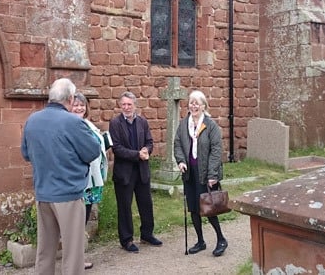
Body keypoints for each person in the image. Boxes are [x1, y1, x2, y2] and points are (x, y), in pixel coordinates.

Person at [21, 78, 101, 275]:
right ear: (71, 98)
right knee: (73, 252)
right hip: (69, 194)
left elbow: (25, 154)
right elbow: (93, 151)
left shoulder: (32, 120)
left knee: (45, 249)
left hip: (43, 192)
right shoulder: (73, 122)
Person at [174, 90, 228, 257]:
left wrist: (213, 175)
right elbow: (177, 144)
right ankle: (200, 241)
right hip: (190, 173)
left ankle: (221, 239)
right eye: (191, 102)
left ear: (204, 106)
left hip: (206, 174)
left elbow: (216, 151)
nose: (194, 105)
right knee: (194, 208)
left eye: (197, 103)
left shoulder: (211, 126)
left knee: (209, 207)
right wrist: (181, 161)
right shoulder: (184, 125)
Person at [109, 91, 162, 252]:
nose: (126, 107)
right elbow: (116, 148)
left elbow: (149, 141)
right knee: (125, 207)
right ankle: (127, 240)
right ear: (120, 105)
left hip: (142, 170)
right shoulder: (115, 123)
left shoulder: (142, 122)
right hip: (124, 173)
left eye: (129, 104)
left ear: (135, 105)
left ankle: (147, 234)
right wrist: (137, 154)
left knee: (146, 204)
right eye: (123, 104)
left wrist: (147, 149)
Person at [71, 92, 108, 270]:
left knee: (82, 221)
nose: (79, 108)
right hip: (81, 183)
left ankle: (78, 258)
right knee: (77, 223)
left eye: (82, 105)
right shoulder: (71, 125)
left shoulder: (87, 124)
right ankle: (76, 261)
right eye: (75, 105)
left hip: (92, 182)